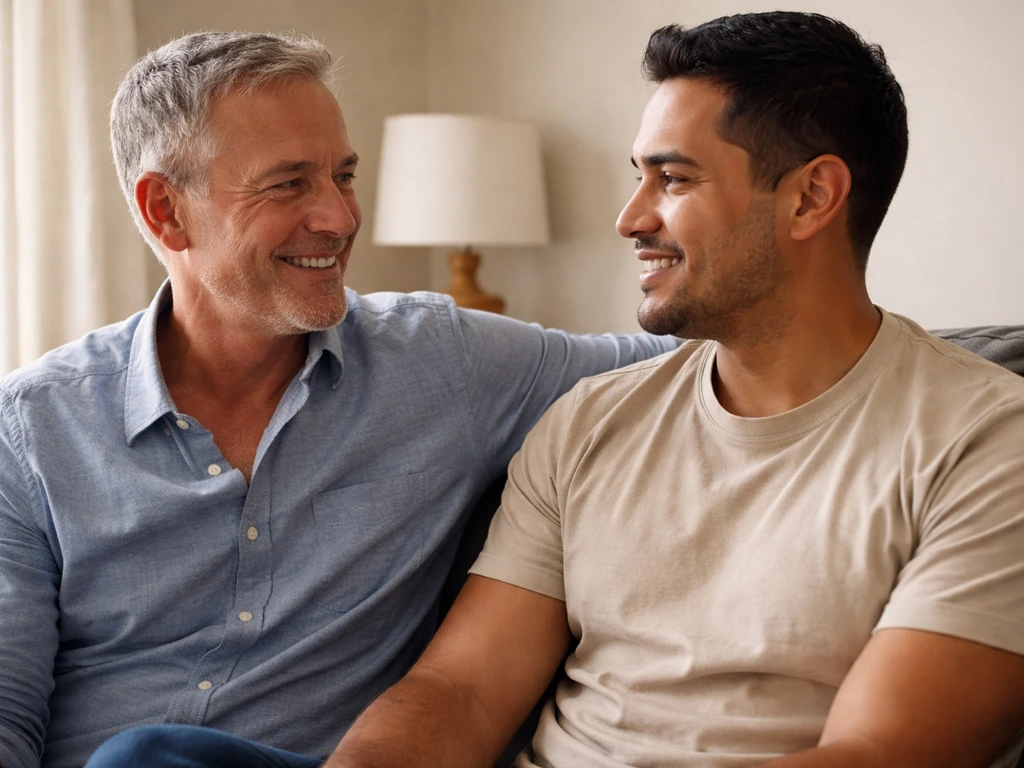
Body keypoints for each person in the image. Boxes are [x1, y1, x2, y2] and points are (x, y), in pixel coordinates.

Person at [323, 11, 1024, 768]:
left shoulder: (987, 445)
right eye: (640, 177)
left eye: (674, 178)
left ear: (812, 197)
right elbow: (462, 690)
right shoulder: (589, 420)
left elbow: (881, 753)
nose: (630, 217)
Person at [0, 32, 680, 768]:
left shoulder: (439, 360)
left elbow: (676, 361)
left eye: (343, 176)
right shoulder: (31, 432)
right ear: (166, 211)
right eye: (288, 184)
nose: (340, 217)